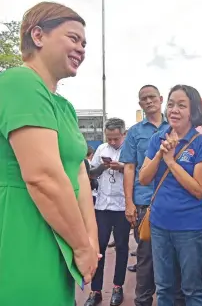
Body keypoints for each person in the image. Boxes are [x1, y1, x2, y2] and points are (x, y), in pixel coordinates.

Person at [0, 2, 99, 306]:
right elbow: (42, 176)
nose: (81, 49)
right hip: (24, 228)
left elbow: (79, 173)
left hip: (62, 230)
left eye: (84, 44)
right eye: (73, 38)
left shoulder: (64, 106)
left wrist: (90, 240)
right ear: (38, 35)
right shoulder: (19, 82)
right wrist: (82, 248)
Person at [140, 84, 202, 306]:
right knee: (163, 288)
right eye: (171, 104)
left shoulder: (201, 143)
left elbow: (199, 190)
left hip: (189, 227)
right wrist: (161, 155)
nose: (174, 110)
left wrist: (171, 161)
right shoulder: (157, 139)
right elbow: (143, 178)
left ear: (193, 111)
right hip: (159, 224)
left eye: (182, 105)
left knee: (191, 289)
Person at [119, 85, 179, 306]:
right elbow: (129, 168)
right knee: (146, 259)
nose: (148, 101)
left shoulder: (175, 125)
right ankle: (142, 301)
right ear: (140, 104)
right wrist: (129, 203)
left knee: (174, 257)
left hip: (173, 202)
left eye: (152, 97)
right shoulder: (135, 132)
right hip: (145, 203)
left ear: (161, 99)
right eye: (143, 98)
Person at [84, 118, 131, 306]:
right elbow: (92, 173)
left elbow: (136, 173)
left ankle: (118, 287)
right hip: (102, 206)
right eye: (109, 138)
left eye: (116, 139)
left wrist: (122, 168)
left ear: (123, 134)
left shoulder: (129, 148)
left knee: (121, 247)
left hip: (121, 206)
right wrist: (103, 166)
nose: (112, 142)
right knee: (99, 248)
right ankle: (95, 291)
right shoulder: (102, 149)